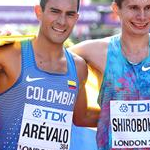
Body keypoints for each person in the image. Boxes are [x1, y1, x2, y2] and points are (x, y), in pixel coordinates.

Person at [0, 0, 100, 149]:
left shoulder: (78, 67)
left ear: (76, 18)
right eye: (55, 11)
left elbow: (82, 117)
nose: (62, 21)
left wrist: (130, 113)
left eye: (70, 14)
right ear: (38, 12)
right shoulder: (9, 55)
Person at [70, 0, 150, 149]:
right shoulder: (96, 51)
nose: (142, 16)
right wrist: (14, 42)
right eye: (133, 8)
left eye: (148, 8)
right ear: (115, 9)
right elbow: (50, 58)